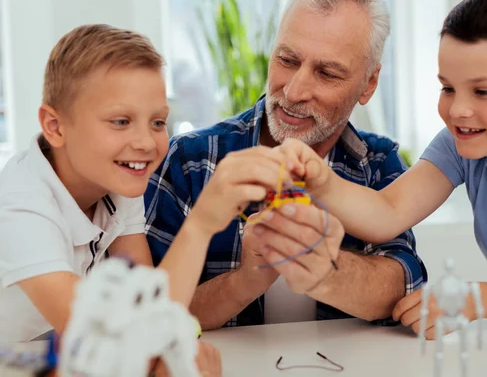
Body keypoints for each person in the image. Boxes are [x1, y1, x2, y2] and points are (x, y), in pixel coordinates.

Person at [278, 0, 487, 339]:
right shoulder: (467, 138)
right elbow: (388, 209)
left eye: (483, 91)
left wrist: (474, 299)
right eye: (448, 88)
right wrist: (319, 179)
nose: (458, 110)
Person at [0, 23, 291, 374]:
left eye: (157, 122)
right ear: (55, 126)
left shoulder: (115, 178)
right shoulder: (20, 205)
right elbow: (97, 336)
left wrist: (166, 352)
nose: (145, 142)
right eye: (121, 121)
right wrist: (200, 224)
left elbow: (149, 309)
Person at [144, 0, 426, 330]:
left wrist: (328, 271)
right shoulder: (191, 160)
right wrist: (244, 281)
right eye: (287, 60)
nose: (293, 91)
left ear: (368, 84)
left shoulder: (379, 162)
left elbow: (404, 283)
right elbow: (144, 319)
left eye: (326, 73)